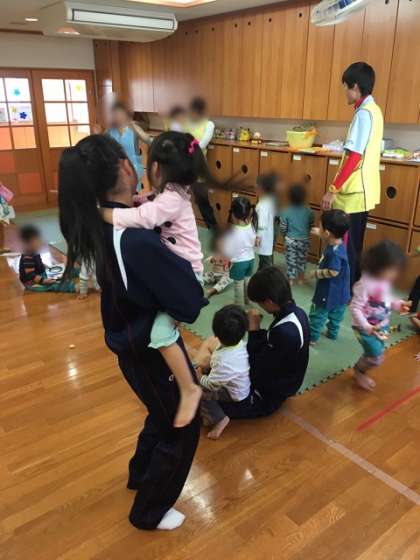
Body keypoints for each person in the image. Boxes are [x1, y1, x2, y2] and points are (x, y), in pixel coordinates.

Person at [58, 134, 207, 531]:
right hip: (147, 348)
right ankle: (149, 511)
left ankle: (141, 474)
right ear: (127, 168)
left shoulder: (103, 220)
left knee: (161, 412)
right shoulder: (136, 238)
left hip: (129, 338)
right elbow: (189, 304)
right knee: (183, 420)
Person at [101, 131, 206, 428]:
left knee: (161, 334)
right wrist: (139, 199)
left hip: (188, 277)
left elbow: (144, 218)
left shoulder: (171, 199)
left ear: (156, 168)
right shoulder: (174, 192)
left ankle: (189, 388)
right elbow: (150, 204)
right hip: (181, 271)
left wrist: (108, 215)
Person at [322, 62, 383, 287]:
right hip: (363, 191)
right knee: (355, 244)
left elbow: (354, 157)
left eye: (345, 87)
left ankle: (344, 290)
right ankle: (351, 287)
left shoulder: (364, 114)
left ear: (355, 86)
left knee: (347, 246)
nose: (345, 92)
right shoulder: (374, 110)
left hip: (353, 193)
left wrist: (332, 190)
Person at [350, 241, 411, 391]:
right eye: (393, 269)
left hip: (380, 326)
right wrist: (366, 326)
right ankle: (359, 371)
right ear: (379, 266)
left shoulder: (385, 282)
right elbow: (355, 307)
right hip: (364, 329)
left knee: (375, 353)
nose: (395, 274)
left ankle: (363, 365)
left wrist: (398, 304)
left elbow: (386, 300)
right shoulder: (364, 284)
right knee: (376, 357)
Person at [197, 305, 250, 440]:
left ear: (216, 334)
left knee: (199, 392)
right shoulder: (241, 344)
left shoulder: (222, 360)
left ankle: (219, 419)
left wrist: (199, 377)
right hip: (238, 383)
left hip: (234, 394)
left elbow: (211, 385)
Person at [309, 210, 351, 344]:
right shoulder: (340, 243)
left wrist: (316, 273)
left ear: (327, 233)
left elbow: (333, 272)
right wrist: (320, 232)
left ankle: (312, 338)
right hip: (341, 291)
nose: (318, 228)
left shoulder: (334, 253)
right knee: (336, 315)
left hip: (328, 291)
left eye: (320, 226)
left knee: (318, 314)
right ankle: (332, 333)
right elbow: (328, 236)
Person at [18, 224, 77, 293]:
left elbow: (39, 264)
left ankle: (79, 272)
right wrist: (44, 281)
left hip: (41, 275)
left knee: (64, 271)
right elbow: (31, 276)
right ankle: (75, 287)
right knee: (56, 285)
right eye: (38, 240)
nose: (40, 241)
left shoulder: (34, 250)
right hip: (32, 282)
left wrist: (49, 270)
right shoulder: (28, 256)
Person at [107, 101, 151, 191]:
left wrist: (135, 128)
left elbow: (148, 141)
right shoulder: (110, 130)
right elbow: (100, 143)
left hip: (133, 169)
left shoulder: (133, 127)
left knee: (132, 194)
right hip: (116, 170)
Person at [187, 97, 217, 229]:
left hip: (198, 168)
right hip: (183, 166)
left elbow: (202, 144)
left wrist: (187, 149)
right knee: (177, 198)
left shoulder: (209, 125)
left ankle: (213, 228)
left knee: (202, 200)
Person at [223, 196, 257, 306]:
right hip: (250, 260)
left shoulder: (232, 231)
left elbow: (228, 251)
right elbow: (253, 242)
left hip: (238, 263)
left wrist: (226, 260)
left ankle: (239, 306)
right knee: (247, 281)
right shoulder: (251, 226)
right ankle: (248, 301)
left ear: (233, 213)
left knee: (238, 285)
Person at [279, 183, 315, 284]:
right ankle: (301, 278)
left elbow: (283, 227)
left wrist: (284, 235)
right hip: (304, 240)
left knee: (291, 260)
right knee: (302, 259)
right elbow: (311, 225)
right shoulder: (309, 211)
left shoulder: (286, 211)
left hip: (290, 240)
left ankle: (290, 280)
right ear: (304, 197)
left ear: (290, 197)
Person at [255, 172, 279, 270]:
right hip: (268, 237)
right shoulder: (270, 201)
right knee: (264, 261)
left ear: (260, 188)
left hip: (263, 239)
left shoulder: (262, 205)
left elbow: (262, 223)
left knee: (265, 263)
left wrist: (258, 237)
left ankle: (268, 277)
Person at [203, 230, 233, 298]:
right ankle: (196, 283)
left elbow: (234, 265)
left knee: (224, 281)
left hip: (225, 275)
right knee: (204, 276)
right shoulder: (216, 254)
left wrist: (229, 262)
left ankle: (212, 291)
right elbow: (206, 261)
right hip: (213, 274)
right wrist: (212, 260)